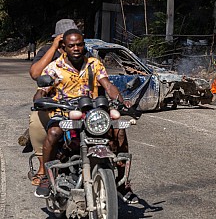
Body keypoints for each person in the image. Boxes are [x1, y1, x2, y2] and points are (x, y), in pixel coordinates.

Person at [33, 29, 138, 203]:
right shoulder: (54, 68)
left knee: (119, 130)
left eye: (79, 44)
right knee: (53, 133)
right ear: (63, 48)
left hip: (92, 112)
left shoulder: (94, 64)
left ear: (84, 45)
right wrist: (40, 100)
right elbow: (41, 91)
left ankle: (122, 183)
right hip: (64, 112)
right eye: (71, 45)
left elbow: (108, 85)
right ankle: (45, 176)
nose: (76, 48)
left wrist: (121, 100)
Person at [28, 19, 79, 187]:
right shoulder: (48, 52)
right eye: (65, 39)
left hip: (79, 103)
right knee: (36, 122)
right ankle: (43, 168)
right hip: (53, 103)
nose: (72, 45)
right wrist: (53, 48)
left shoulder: (83, 53)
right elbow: (36, 74)